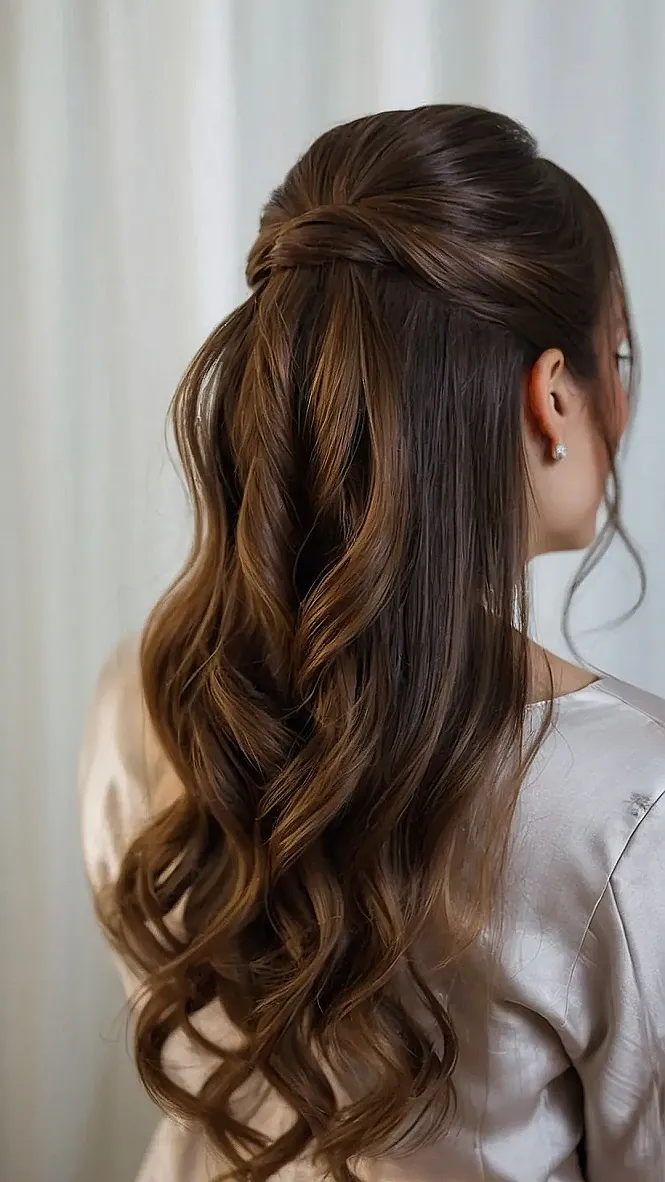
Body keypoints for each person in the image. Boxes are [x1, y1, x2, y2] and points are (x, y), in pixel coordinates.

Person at [78, 105, 664, 1182]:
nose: (621, 398)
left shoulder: (145, 689)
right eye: (614, 354)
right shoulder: (630, 798)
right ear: (551, 395)